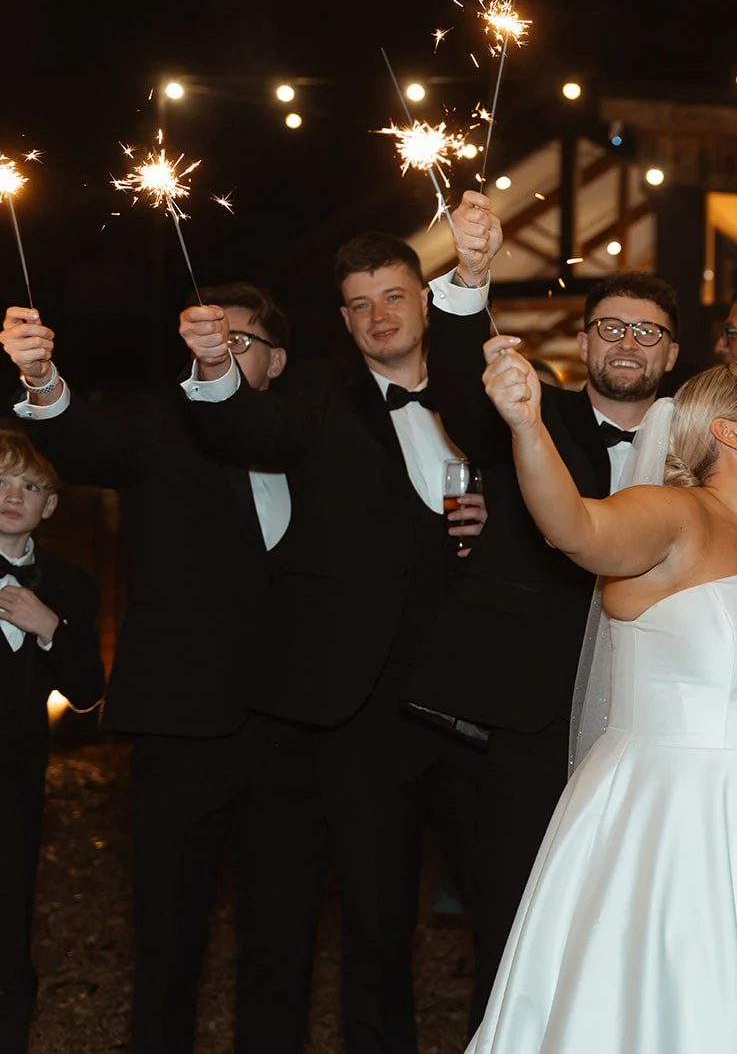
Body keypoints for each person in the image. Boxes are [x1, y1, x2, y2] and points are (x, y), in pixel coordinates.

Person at [468, 350, 737, 1053]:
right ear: (731, 431)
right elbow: (574, 528)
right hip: (674, 820)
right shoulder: (673, 515)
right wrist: (528, 426)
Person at [178, 238, 485, 1054]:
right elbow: (249, 425)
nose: (378, 316)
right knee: (374, 922)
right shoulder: (318, 396)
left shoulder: (488, 392)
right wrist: (213, 370)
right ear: (344, 321)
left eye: (392, 296)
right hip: (359, 707)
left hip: (474, 700)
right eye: (359, 304)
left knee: (500, 911)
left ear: (426, 300)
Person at [4, 288, 324, 1054]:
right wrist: (43, 381)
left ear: (277, 362)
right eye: (208, 338)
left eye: (239, 340)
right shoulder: (158, 427)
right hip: (182, 728)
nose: (217, 349)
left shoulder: (316, 439)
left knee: (284, 943)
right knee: (168, 942)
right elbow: (84, 446)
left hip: (296, 731)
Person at [409, 190, 679, 1030]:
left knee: (633, 923)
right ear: (584, 339)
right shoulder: (538, 414)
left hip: (654, 718)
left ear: (672, 353)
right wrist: (471, 278)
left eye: (646, 331)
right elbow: (457, 385)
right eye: (611, 327)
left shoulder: (705, 442)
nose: (626, 343)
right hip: (528, 714)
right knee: (516, 915)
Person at [0, 432, 103, 1054]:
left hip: (16, 782)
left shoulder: (70, 585)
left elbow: (89, 692)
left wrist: (50, 629)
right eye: (2, 483)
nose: (14, 497)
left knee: (10, 925)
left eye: (30, 487)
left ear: (51, 506)